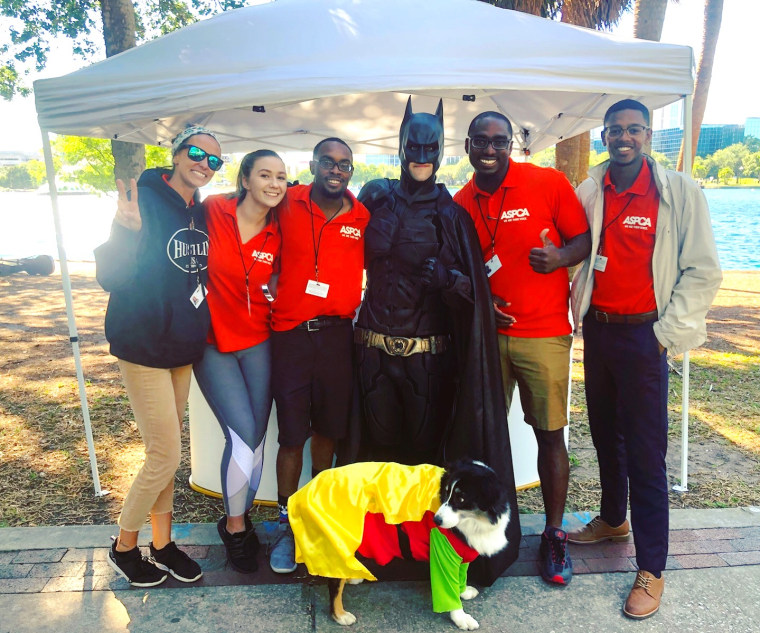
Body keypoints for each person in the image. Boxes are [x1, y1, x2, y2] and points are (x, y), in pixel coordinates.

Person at [356, 98, 520, 586]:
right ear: (401, 145)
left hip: (428, 358)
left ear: (443, 149)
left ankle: (427, 555)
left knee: (425, 463)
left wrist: (449, 278)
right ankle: (382, 549)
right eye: (414, 145)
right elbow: (330, 234)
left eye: (431, 146)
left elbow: (474, 292)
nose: (421, 154)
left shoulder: (451, 215)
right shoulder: (374, 197)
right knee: (378, 458)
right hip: (372, 349)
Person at [568, 99, 722, 618]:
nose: (623, 138)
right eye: (615, 130)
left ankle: (652, 567)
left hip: (644, 339)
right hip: (600, 332)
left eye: (634, 129)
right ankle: (613, 519)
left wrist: (665, 335)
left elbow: (702, 270)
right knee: (603, 434)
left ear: (650, 134)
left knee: (646, 455)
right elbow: (576, 253)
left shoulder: (678, 191)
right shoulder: (591, 190)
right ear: (605, 136)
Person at [454, 111, 591, 587]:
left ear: (510, 143)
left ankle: (554, 534)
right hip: (486, 340)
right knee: (484, 436)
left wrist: (560, 257)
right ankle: (483, 532)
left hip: (545, 334)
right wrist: (481, 299)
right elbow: (454, 269)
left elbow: (583, 239)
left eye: (499, 141)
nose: (489, 149)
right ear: (468, 145)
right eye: (480, 141)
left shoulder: (547, 183)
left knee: (550, 433)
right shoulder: (460, 201)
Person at [95, 126, 223, 587]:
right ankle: (124, 546)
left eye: (214, 160)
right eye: (196, 153)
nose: (204, 164)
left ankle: (163, 544)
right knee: (165, 454)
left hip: (182, 348)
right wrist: (124, 231)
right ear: (175, 153)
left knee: (165, 453)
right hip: (143, 343)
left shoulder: (201, 212)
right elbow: (109, 276)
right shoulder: (142, 200)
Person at [267, 137, 370, 574]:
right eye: (327, 162)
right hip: (289, 336)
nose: (335, 169)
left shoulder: (362, 216)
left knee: (328, 430)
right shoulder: (285, 200)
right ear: (312, 164)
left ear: (351, 170)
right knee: (291, 435)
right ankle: (287, 524)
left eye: (344, 164)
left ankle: (319, 515)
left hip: (336, 338)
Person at [193, 150, 285, 573]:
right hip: (212, 345)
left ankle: (240, 518)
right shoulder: (213, 210)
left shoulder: (280, 231)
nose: (273, 183)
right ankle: (234, 528)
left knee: (259, 441)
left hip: (259, 342)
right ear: (245, 179)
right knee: (244, 441)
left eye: (281, 177)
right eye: (264, 174)